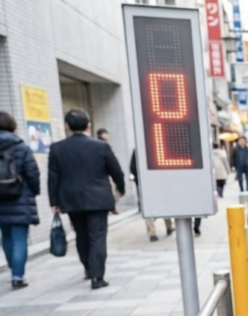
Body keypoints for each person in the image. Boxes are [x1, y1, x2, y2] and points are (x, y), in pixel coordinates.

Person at [49, 109, 125, 289]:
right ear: (89, 125)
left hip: (71, 199)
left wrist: (54, 201)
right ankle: (97, 276)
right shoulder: (101, 146)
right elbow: (116, 171)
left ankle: (89, 268)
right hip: (98, 199)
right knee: (97, 236)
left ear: (67, 126)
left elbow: (53, 177)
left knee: (81, 235)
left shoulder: (57, 148)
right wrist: (120, 189)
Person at [0, 112, 40, 289]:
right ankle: (17, 275)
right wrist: (35, 191)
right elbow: (32, 172)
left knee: (6, 236)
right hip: (19, 197)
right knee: (19, 238)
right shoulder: (20, 146)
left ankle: (13, 268)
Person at [129, 149, 174, 241]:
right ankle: (168, 227)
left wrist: (139, 181)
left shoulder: (138, 149)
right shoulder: (159, 147)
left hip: (145, 184)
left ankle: (152, 232)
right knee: (164, 205)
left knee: (149, 208)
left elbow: (133, 168)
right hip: (160, 183)